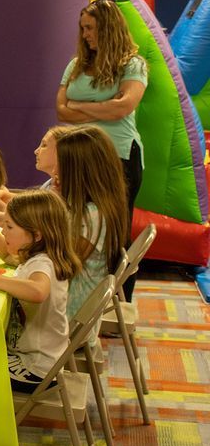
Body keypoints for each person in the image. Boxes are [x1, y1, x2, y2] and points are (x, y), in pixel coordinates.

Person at [0, 190, 81, 392]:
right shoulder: (36, 254)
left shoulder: (43, 264)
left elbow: (38, 291)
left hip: (35, 367)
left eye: (9, 227)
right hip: (40, 358)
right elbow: (6, 253)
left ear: (36, 234)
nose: (3, 231)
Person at [56, 0, 148, 214]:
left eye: (90, 28)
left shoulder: (133, 65)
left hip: (118, 155)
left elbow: (121, 109)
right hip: (79, 157)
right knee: (77, 223)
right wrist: (104, 108)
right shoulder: (75, 65)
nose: (85, 34)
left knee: (114, 230)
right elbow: (61, 111)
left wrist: (77, 104)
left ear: (107, 28)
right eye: (82, 29)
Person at [56, 126, 129, 320]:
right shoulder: (90, 208)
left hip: (70, 315)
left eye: (60, 166)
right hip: (72, 306)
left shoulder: (93, 217)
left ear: (79, 172)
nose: (55, 171)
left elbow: (62, 265)